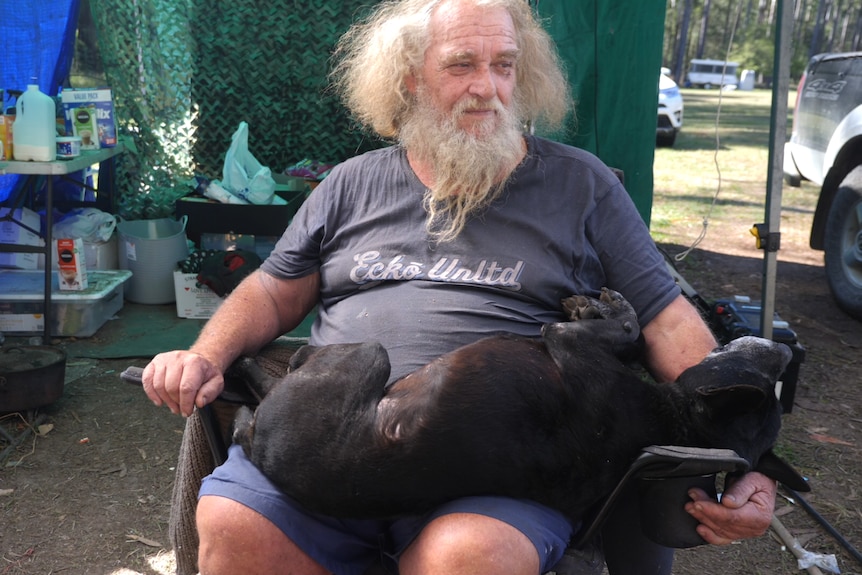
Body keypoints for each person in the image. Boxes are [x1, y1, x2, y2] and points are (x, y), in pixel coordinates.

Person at [142, 0, 778, 573]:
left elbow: (668, 319)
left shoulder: (582, 186)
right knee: (232, 525)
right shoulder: (351, 184)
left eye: (504, 66)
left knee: (471, 557)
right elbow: (274, 291)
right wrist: (204, 355)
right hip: (333, 441)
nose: (487, 88)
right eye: (462, 65)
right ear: (410, 78)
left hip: (507, 457)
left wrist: (737, 459)